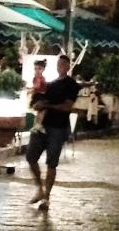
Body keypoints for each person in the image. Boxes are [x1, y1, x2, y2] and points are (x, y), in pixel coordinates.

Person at [26, 53, 79, 211]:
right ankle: (40, 189)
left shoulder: (71, 85)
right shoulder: (50, 84)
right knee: (31, 156)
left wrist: (47, 106)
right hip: (43, 125)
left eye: (64, 64)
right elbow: (39, 102)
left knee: (51, 163)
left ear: (68, 66)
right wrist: (38, 104)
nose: (61, 67)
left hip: (58, 127)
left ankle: (46, 197)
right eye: (59, 64)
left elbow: (67, 106)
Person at [30, 59, 48, 134]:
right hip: (39, 96)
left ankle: (37, 126)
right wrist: (31, 90)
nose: (37, 70)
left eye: (39, 69)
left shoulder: (40, 77)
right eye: (35, 68)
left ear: (43, 69)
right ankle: (38, 126)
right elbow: (37, 86)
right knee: (41, 112)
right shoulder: (39, 77)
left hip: (40, 96)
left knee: (40, 112)